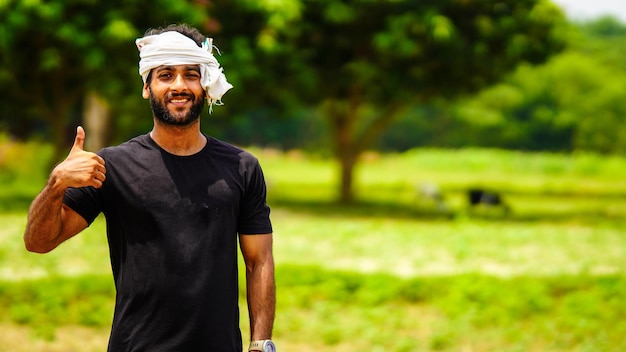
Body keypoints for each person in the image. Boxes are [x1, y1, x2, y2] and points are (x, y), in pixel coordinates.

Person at [23, 23, 276, 352]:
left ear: (206, 84)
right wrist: (56, 184)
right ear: (147, 87)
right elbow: (38, 242)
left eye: (191, 74)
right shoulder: (113, 166)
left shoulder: (241, 167)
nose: (179, 85)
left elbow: (259, 262)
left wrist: (261, 344)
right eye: (166, 75)